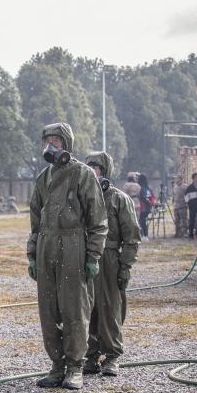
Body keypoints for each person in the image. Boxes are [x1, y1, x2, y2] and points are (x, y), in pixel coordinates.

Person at [27, 123, 107, 390]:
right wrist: (32, 254)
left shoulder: (83, 174)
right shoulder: (43, 178)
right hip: (46, 244)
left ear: (67, 145)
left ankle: (75, 367)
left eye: (56, 141)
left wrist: (93, 255)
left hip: (74, 244)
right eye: (47, 140)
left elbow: (98, 220)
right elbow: (35, 220)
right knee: (48, 310)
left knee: (74, 308)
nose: (51, 146)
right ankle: (57, 365)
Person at [84, 152, 141, 377]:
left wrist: (125, 266)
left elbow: (132, 236)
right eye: (88, 168)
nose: (92, 172)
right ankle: (90, 355)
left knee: (109, 308)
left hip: (109, 259)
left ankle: (112, 356)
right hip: (86, 257)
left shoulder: (119, 199)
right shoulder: (83, 198)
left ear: (105, 171)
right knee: (86, 308)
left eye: (96, 168)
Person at [185, 173, 197, 240]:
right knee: (191, 221)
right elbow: (186, 197)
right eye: (196, 177)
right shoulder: (189, 188)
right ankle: (191, 235)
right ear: (193, 179)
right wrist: (187, 204)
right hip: (192, 207)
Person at [137, 174, 154, 241]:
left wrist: (147, 201)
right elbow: (152, 197)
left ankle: (144, 235)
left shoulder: (140, 188)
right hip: (148, 208)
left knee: (142, 221)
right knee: (143, 221)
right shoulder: (148, 188)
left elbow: (142, 197)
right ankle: (144, 235)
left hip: (142, 207)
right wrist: (151, 203)